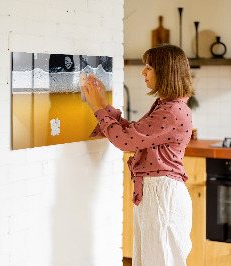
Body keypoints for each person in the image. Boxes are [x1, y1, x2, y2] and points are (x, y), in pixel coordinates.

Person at [82, 44, 194, 266]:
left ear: (165, 72)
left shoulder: (171, 111)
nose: (143, 72)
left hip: (162, 195)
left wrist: (97, 107)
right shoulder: (167, 106)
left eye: (149, 67)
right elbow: (133, 133)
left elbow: (125, 141)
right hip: (157, 193)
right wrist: (104, 103)